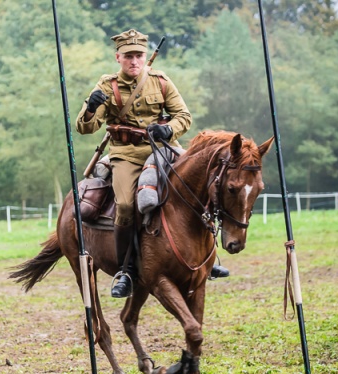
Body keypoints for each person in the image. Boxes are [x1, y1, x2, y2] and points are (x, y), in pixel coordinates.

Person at [76, 29, 228, 299]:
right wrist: (90, 108)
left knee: (200, 186)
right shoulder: (106, 86)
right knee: (125, 205)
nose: (134, 61)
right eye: (128, 56)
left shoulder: (160, 81)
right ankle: (125, 269)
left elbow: (183, 115)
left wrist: (168, 130)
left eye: (139, 55)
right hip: (127, 154)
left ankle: (208, 257)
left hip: (164, 148)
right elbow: (85, 128)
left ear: (145, 56)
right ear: (118, 57)